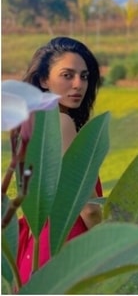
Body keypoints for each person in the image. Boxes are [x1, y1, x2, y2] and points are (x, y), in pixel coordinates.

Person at [16, 37, 103, 285]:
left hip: (38, 249)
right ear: (44, 79)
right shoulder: (61, 122)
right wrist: (112, 245)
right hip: (68, 246)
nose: (78, 85)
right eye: (67, 75)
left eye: (84, 76)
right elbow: (87, 207)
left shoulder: (32, 124)